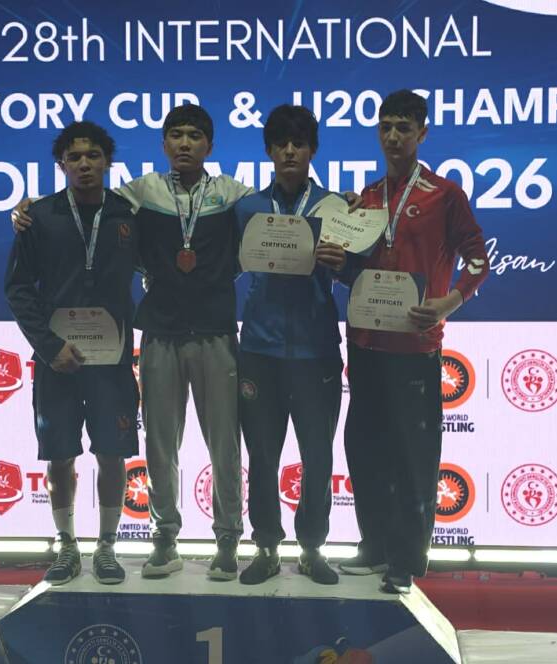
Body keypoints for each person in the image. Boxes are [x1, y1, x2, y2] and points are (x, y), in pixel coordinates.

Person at [12, 105, 253, 581]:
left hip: (214, 331)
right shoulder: (137, 195)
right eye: (175, 135)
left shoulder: (233, 193)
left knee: (224, 443)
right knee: (159, 446)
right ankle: (164, 537)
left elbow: (278, 212)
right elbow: (80, 201)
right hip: (158, 333)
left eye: (194, 136)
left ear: (210, 145)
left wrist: (339, 202)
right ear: (163, 144)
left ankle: (227, 537)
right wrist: (25, 209)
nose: (184, 143)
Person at [339, 90, 489, 593]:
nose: (393, 136)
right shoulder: (366, 197)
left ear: (422, 133)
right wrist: (336, 254)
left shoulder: (445, 194)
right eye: (385, 126)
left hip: (415, 346)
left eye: (403, 127)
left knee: (411, 454)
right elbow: (354, 269)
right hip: (365, 342)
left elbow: (478, 259)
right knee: (365, 447)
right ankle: (373, 546)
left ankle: (404, 559)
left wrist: (450, 302)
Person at [4, 121, 140, 585]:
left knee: (112, 454)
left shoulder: (127, 214)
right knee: (59, 455)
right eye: (75, 157)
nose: (85, 164)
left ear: (108, 161)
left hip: (112, 361)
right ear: (61, 165)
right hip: (57, 360)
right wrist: (48, 347)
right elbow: (18, 289)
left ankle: (107, 547)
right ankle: (67, 546)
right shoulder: (38, 217)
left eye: (93, 156)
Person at [233, 105, 347, 585]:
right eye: (280, 143)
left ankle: (313, 547)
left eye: (298, 143)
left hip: (316, 348)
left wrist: (342, 263)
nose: (289, 151)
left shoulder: (335, 208)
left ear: (312, 149)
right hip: (260, 348)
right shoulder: (247, 208)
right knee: (262, 455)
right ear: (268, 151)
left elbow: (357, 271)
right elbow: (225, 265)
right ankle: (265, 547)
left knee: (318, 455)